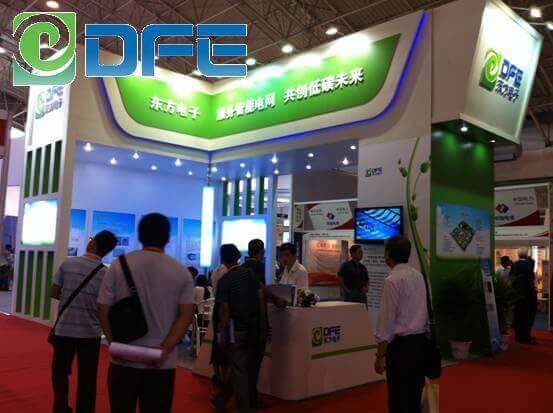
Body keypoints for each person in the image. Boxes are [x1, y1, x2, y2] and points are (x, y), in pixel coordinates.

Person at [97, 213, 195, 413]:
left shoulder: (118, 265)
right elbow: (186, 314)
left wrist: (113, 343)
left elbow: (103, 307)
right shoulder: (180, 271)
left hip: (123, 358)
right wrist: (165, 349)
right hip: (161, 363)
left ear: (139, 235)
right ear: (167, 238)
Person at [50, 230, 118, 413]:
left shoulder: (68, 263)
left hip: (64, 329)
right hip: (90, 333)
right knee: (88, 378)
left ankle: (61, 408)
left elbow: (54, 292)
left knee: (60, 372)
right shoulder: (106, 274)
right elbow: (105, 305)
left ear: (92, 243)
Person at [374, 236, 429, 413]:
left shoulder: (392, 280)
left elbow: (386, 322)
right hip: (420, 343)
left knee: (398, 397)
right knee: (414, 395)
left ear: (388, 254)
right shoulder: (418, 276)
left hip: (400, 348)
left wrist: (380, 355)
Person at [212, 244, 265, 413]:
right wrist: (262, 324)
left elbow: (224, 310)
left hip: (236, 330)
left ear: (222, 259)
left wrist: (222, 334)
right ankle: (221, 399)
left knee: (239, 369)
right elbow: (260, 297)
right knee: (240, 367)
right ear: (238, 257)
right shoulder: (250, 274)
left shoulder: (224, 281)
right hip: (253, 327)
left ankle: (243, 408)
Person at [510, 247, 537, 344]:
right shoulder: (528, 264)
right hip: (527, 295)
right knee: (527, 316)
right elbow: (531, 279)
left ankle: (518, 336)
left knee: (518, 316)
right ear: (526, 255)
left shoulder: (514, 265)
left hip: (517, 295)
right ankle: (525, 337)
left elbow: (511, 279)